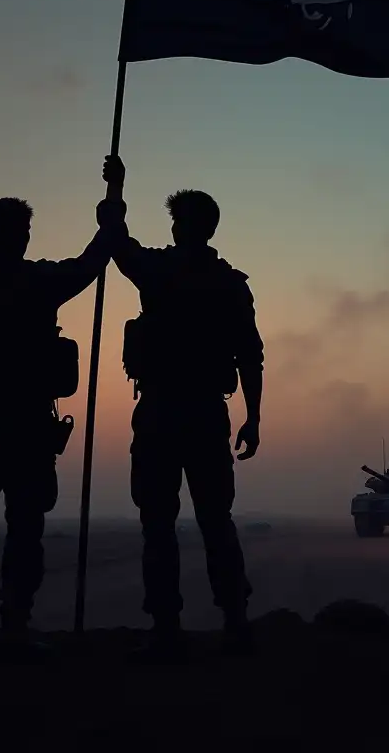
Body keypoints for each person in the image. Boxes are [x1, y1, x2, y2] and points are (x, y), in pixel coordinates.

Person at [0, 188, 119, 652]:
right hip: (21, 429)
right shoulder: (35, 283)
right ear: (20, 236)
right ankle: (13, 621)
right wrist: (111, 215)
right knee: (22, 530)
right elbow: (89, 265)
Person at [102, 154, 264, 661]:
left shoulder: (159, 272)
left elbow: (115, 241)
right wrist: (253, 417)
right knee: (215, 521)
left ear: (181, 228)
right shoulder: (229, 285)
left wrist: (116, 189)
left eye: (177, 222)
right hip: (202, 415)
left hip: (161, 414)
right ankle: (232, 620)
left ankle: (167, 626)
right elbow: (250, 357)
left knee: (160, 524)